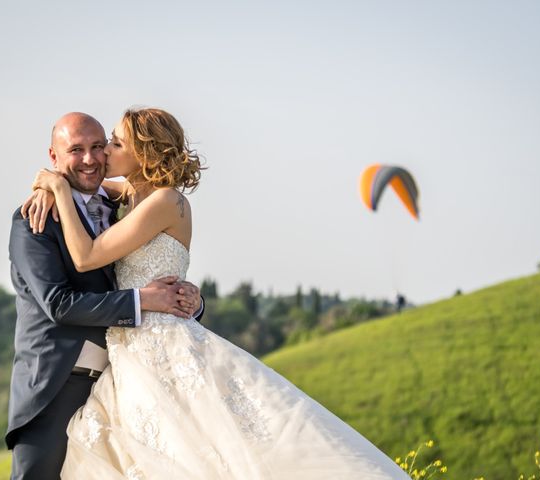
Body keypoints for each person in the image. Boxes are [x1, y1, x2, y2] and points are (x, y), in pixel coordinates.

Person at [31, 107, 410, 479]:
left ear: (142, 153)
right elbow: (87, 185)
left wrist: (59, 189)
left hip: (161, 346)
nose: (102, 154)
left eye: (114, 144)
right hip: (130, 348)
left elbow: (87, 257)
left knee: (200, 451)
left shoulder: (166, 201)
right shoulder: (127, 193)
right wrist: (48, 181)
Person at [7, 112, 205, 480]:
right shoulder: (34, 219)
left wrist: (190, 298)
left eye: (102, 146)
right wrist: (51, 188)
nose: (91, 158)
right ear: (54, 156)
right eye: (76, 150)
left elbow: (155, 271)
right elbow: (60, 304)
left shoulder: (129, 205)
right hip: (57, 386)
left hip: (126, 380)